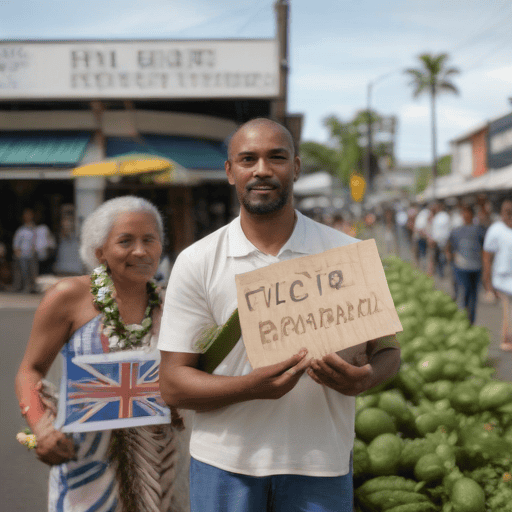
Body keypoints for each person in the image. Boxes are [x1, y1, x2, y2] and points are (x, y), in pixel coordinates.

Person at [157, 118, 401, 512]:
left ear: (297, 167)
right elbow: (172, 385)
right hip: (225, 464)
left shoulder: (345, 253)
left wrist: (366, 378)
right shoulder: (197, 261)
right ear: (230, 171)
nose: (262, 170)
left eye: (277, 158)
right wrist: (250, 387)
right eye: (248, 159)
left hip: (321, 464)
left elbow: (389, 352)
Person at [15, 196, 189, 512]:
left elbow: (180, 376)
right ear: (101, 252)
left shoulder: (169, 306)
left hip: (154, 463)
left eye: (149, 239)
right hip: (84, 465)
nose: (140, 250)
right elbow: (30, 371)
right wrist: (42, 428)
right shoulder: (68, 296)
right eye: (126, 241)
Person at [446, 204, 486, 325]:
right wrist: (450, 259)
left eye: (467, 212)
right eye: (464, 212)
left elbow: (485, 249)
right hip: (462, 268)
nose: (466, 215)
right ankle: (464, 319)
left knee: (473, 294)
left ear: (472, 215)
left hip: (476, 267)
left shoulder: (479, 230)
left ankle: (471, 320)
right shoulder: (457, 230)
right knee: (465, 293)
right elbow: (449, 246)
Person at [483, 198, 512, 351]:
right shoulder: (496, 229)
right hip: (503, 280)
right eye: (506, 212)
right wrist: (487, 282)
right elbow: (487, 256)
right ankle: (506, 339)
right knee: (508, 311)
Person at [12, 208, 38, 293]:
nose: (28, 216)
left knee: (33, 272)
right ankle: (25, 287)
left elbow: (39, 241)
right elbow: (16, 242)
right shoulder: (21, 230)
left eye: (29, 215)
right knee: (24, 272)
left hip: (33, 254)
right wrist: (17, 251)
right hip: (23, 255)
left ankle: (33, 287)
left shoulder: (36, 229)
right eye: (26, 215)